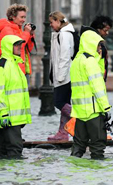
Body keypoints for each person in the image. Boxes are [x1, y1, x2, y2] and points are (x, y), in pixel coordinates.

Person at [70, 31, 112, 159]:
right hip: (93, 111)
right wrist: (106, 108)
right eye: (98, 45)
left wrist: (98, 59)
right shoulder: (90, 62)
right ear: (91, 44)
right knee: (98, 146)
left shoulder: (76, 61)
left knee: (78, 145)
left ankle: (74, 170)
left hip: (80, 112)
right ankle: (98, 174)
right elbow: (98, 87)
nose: (99, 48)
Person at [0, 35, 32, 159]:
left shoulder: (14, 64)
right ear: (8, 47)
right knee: (15, 149)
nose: (19, 47)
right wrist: (3, 113)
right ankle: (14, 175)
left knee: (2, 150)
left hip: (12, 116)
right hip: (8, 116)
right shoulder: (1, 66)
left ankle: (4, 175)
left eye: (20, 44)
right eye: (16, 45)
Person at [47, 11, 75, 141]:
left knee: (59, 102)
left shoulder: (64, 35)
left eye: (51, 22)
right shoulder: (63, 34)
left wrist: (60, 77)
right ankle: (63, 132)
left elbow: (64, 57)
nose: (51, 25)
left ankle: (80, 121)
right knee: (64, 103)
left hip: (64, 76)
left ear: (58, 21)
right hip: (64, 75)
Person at [0, 4, 35, 80]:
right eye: (21, 17)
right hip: (12, 69)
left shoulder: (19, 30)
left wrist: (30, 35)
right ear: (13, 17)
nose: (24, 20)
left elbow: (28, 49)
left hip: (20, 68)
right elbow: (18, 47)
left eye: (24, 17)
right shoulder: (7, 30)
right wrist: (26, 33)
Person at [80, 15, 113, 81]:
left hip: (97, 77)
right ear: (98, 29)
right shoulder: (92, 39)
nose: (107, 33)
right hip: (94, 78)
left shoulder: (96, 39)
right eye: (105, 30)